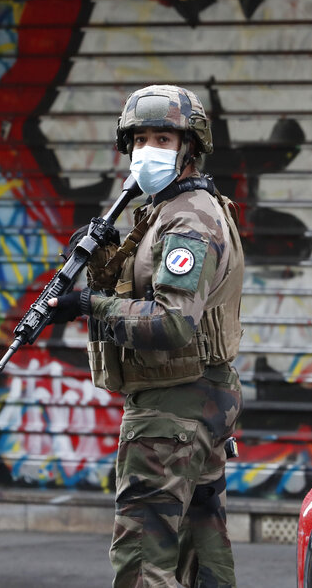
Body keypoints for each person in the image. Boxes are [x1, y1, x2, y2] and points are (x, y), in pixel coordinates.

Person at [49, 85, 245, 588]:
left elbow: (172, 322)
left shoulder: (187, 220)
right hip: (194, 398)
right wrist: (101, 265)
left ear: (190, 147)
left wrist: (90, 307)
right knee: (202, 554)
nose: (147, 150)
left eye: (162, 137)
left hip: (172, 406)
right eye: (139, 139)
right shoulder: (167, 211)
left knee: (142, 558)